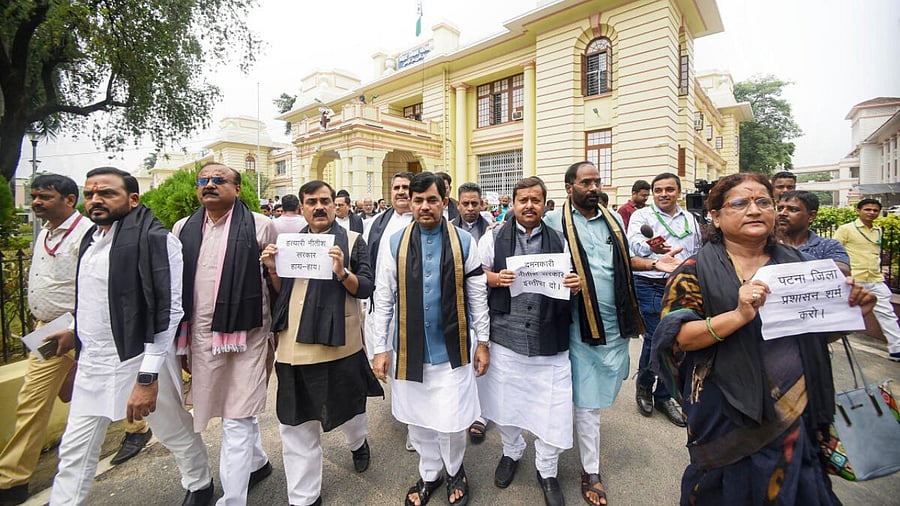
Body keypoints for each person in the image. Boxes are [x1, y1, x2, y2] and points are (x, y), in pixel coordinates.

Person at [650, 173, 875, 505]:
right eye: (740, 203)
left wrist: (855, 313)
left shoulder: (802, 267)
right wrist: (738, 315)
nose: (754, 210)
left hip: (796, 409)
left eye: (764, 202)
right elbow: (679, 338)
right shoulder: (693, 270)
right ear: (716, 216)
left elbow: (815, 334)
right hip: (725, 413)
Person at [50, 168, 212, 506]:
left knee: (172, 430)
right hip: (93, 360)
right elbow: (93, 297)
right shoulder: (91, 240)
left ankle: (200, 483)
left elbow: (169, 310)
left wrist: (147, 378)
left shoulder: (156, 240)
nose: (96, 200)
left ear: (133, 199)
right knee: (76, 445)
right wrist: (74, 332)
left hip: (141, 356)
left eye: (107, 193)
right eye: (90, 194)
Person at [545, 162, 679, 506]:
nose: (593, 187)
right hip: (576, 325)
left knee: (597, 391)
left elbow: (625, 260)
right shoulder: (553, 222)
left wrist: (654, 264)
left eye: (597, 181)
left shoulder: (613, 219)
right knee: (585, 401)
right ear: (569, 187)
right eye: (585, 182)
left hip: (615, 323)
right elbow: (540, 267)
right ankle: (588, 469)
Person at [0, 174, 131, 506]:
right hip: (47, 330)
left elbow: (102, 285)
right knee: (44, 397)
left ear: (69, 200)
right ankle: (13, 478)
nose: (36, 202)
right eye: (34, 196)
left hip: (80, 328)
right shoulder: (44, 232)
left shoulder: (90, 233)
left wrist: (75, 328)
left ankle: (11, 477)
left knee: (113, 385)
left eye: (44, 197)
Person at [371, 172, 490, 506]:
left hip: (453, 349)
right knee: (418, 420)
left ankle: (454, 470)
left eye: (432, 200)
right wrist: (379, 348)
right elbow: (384, 297)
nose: (425, 206)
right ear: (410, 202)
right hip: (410, 350)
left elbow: (477, 295)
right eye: (418, 200)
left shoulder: (464, 241)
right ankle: (429, 473)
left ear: (444, 201)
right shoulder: (395, 242)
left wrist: (483, 342)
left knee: (452, 421)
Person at [261, 181, 383, 506]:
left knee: (351, 412)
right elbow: (283, 292)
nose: (319, 207)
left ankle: (358, 443)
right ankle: (304, 498)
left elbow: (366, 287)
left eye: (325, 201)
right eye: (311, 201)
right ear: (301, 208)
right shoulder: (289, 245)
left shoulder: (353, 241)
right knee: (296, 423)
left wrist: (342, 272)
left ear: (335, 205)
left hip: (339, 345)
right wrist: (273, 270)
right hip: (293, 347)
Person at [172, 162, 276, 505]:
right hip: (202, 338)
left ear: (238, 189)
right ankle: (257, 463)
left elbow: (278, 283)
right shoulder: (183, 228)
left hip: (249, 334)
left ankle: (233, 498)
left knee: (237, 416)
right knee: (227, 408)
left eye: (219, 179)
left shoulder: (261, 225)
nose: (210, 184)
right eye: (203, 180)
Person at [477, 177, 580, 506]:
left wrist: (574, 285)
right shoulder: (494, 237)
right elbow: (474, 275)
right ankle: (511, 451)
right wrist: (495, 278)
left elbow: (570, 280)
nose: (529, 206)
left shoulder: (560, 240)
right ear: (514, 203)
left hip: (548, 339)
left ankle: (547, 470)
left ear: (544, 204)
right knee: (505, 403)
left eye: (536, 200)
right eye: (523, 200)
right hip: (505, 338)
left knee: (553, 408)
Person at [626, 173, 701, 426]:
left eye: (669, 189)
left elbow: (697, 250)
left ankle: (664, 395)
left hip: (682, 285)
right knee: (656, 338)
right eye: (658, 190)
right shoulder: (642, 216)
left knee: (679, 340)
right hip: (650, 283)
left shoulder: (690, 219)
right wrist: (653, 249)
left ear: (678, 192)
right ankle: (644, 385)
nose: (663, 194)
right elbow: (634, 246)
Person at [835, 198, 900, 361]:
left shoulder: (878, 230)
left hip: (875, 279)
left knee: (887, 313)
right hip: (853, 280)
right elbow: (834, 252)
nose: (871, 213)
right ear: (858, 211)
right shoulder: (846, 229)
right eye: (867, 209)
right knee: (841, 313)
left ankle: (896, 349)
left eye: (875, 210)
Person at [363, 172, 416, 357]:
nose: (401, 192)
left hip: (411, 309)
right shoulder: (375, 223)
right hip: (377, 304)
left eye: (406, 187)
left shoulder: (425, 222)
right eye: (396, 188)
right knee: (378, 361)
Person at [776, 191, 850, 273]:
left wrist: (789, 253)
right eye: (780, 209)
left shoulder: (828, 246)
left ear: (811, 216)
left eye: (793, 210)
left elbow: (842, 272)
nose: (782, 213)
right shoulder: (766, 244)